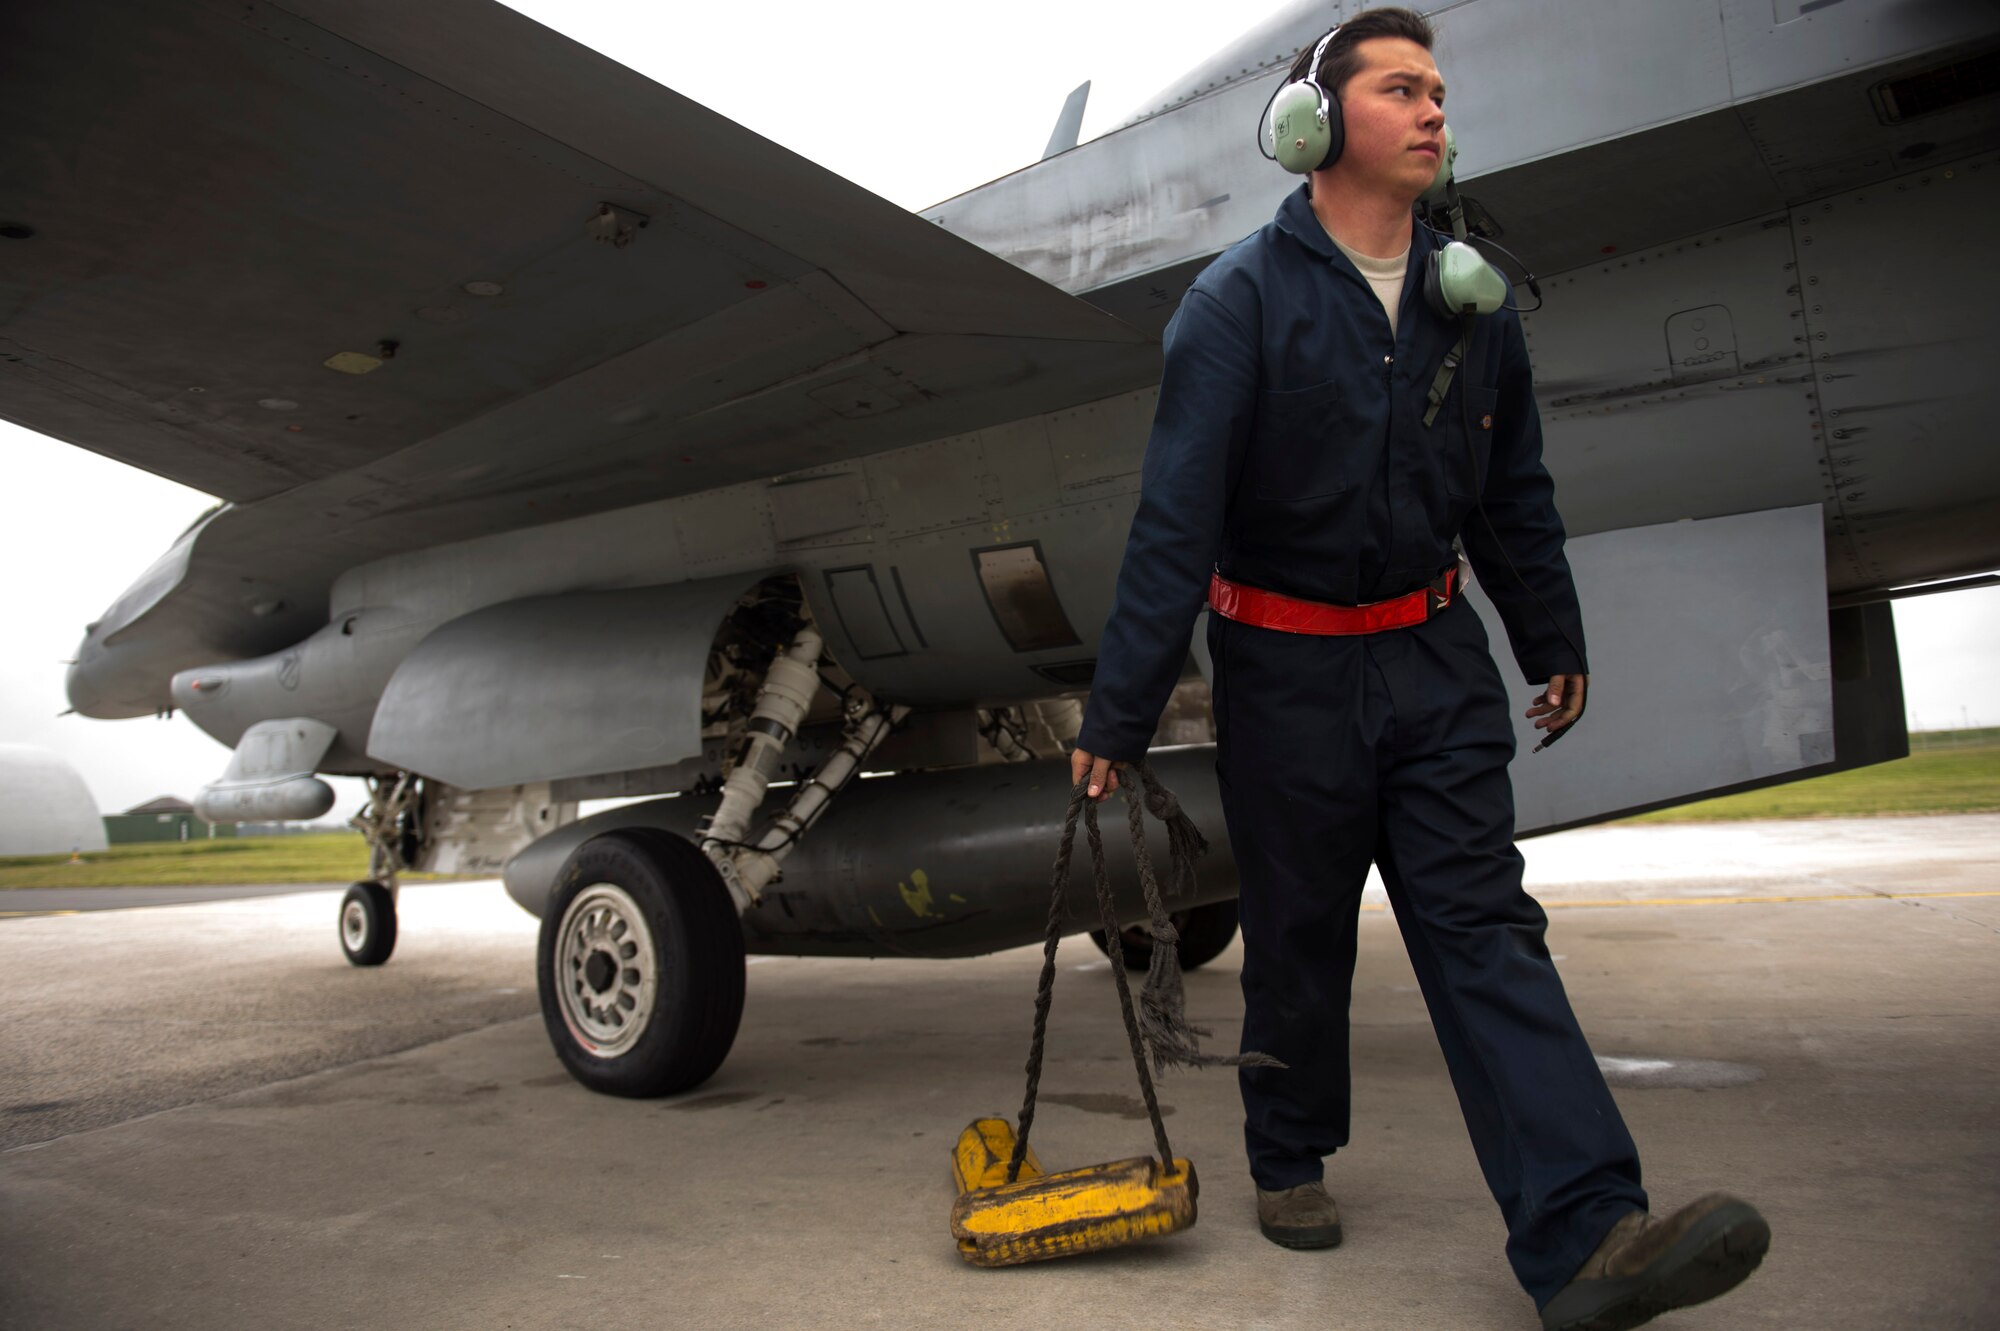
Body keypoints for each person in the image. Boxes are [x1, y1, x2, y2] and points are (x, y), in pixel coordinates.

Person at [1068, 10, 1770, 1329]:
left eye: (1440, 89)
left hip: (1436, 664)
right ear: (1316, 125)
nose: (1435, 109)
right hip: (1286, 674)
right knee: (1299, 937)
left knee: (1485, 930)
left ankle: (1586, 1234)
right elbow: (1176, 524)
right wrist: (1119, 709)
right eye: (1402, 88)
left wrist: (1548, 635)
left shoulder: (1470, 301)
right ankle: (1288, 1152)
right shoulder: (1235, 307)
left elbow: (1512, 493)